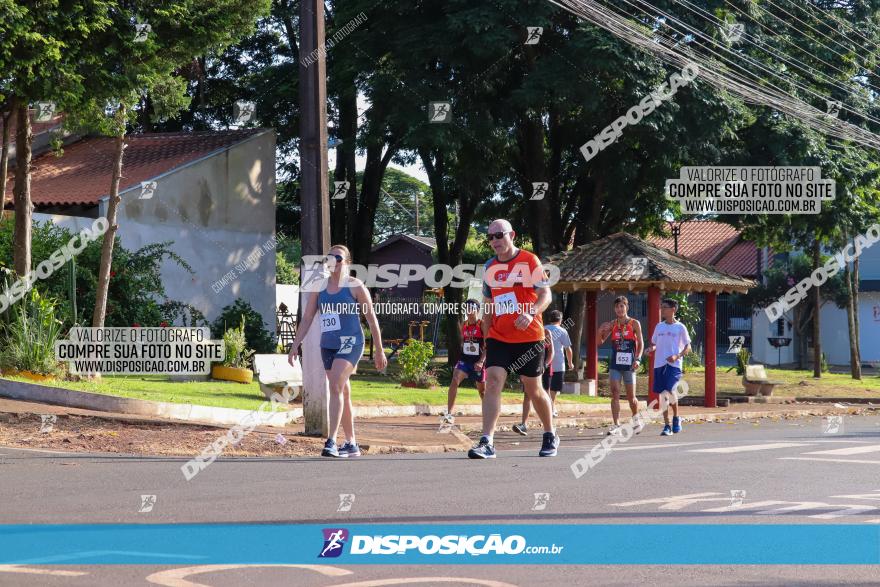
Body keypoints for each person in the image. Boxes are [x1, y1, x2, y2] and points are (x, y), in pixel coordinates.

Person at [468, 219, 559, 459]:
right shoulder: (489, 267)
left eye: (499, 235)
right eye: (490, 237)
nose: (494, 240)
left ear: (512, 235)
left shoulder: (530, 261)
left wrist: (530, 313)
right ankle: (487, 441)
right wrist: (487, 338)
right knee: (493, 383)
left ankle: (550, 433)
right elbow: (487, 305)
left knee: (534, 389)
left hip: (529, 337)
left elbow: (545, 294)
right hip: (499, 337)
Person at [288, 245, 387, 457]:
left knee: (334, 386)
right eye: (330, 257)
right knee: (342, 391)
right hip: (329, 344)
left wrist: (379, 349)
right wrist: (295, 344)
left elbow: (371, 319)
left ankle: (331, 440)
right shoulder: (319, 287)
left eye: (338, 257)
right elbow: (307, 318)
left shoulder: (355, 286)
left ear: (347, 262)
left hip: (351, 341)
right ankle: (351, 443)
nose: (333, 260)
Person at [598, 296, 644, 436]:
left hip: (630, 365)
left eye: (622, 306)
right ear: (614, 309)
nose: (619, 309)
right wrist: (601, 330)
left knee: (631, 398)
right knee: (615, 393)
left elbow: (641, 343)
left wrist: (638, 359)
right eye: (617, 307)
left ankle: (636, 420)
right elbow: (600, 342)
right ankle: (616, 424)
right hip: (615, 364)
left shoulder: (634, 323)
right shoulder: (612, 324)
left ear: (626, 307)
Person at [645, 298, 691, 436]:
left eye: (665, 307)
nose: (662, 310)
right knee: (663, 395)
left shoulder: (680, 327)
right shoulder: (659, 326)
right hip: (659, 364)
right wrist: (650, 349)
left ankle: (676, 417)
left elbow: (688, 347)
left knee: (671, 391)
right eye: (662, 307)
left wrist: (677, 356)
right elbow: (654, 343)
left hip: (674, 365)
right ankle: (666, 425)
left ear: (673, 309)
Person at [444, 299, 486, 424]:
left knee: (482, 391)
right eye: (467, 308)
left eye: (471, 308)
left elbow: (488, 344)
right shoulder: (464, 324)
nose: (468, 310)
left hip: (478, 362)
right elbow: (463, 341)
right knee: (455, 380)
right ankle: (449, 414)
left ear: (477, 310)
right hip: (465, 360)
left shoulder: (481, 324)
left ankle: (488, 416)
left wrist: (481, 361)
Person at [512, 328, 554, 436]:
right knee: (528, 395)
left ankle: (549, 426)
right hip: (530, 367)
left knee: (545, 394)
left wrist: (545, 365)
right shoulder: (525, 332)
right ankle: (524, 424)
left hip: (543, 366)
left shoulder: (546, 332)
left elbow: (551, 352)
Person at [544, 310, 573, 412]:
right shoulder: (562, 331)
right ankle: (551, 407)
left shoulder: (544, 329)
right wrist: (570, 362)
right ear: (560, 320)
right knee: (554, 388)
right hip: (559, 364)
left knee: (546, 386)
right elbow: (568, 349)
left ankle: (550, 407)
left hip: (546, 362)